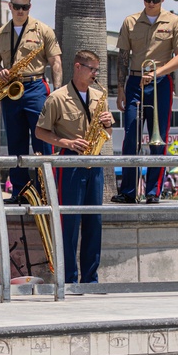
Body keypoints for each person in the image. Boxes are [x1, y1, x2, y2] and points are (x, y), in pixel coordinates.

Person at [34, 50, 114, 284]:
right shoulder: (57, 97)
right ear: (78, 66)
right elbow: (40, 131)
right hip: (69, 162)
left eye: (97, 70)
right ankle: (68, 279)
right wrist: (66, 142)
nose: (95, 74)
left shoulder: (100, 96)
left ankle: (91, 279)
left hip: (94, 163)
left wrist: (108, 125)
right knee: (68, 224)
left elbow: (106, 133)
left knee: (94, 222)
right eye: (92, 69)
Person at [113, 0, 178, 204]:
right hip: (135, 83)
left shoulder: (174, 22)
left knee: (158, 140)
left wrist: (158, 72)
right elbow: (123, 58)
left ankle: (153, 192)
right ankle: (127, 191)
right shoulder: (131, 21)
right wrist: (120, 89)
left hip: (161, 82)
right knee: (130, 136)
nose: (150, 3)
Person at [0, 0, 62, 202]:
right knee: (15, 143)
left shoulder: (43, 30)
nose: (21, 11)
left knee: (43, 141)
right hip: (10, 89)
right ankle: (20, 192)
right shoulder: (0, 33)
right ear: (10, 6)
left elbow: (55, 60)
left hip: (36, 86)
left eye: (25, 7)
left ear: (30, 7)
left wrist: (56, 92)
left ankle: (46, 191)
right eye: (17, 6)